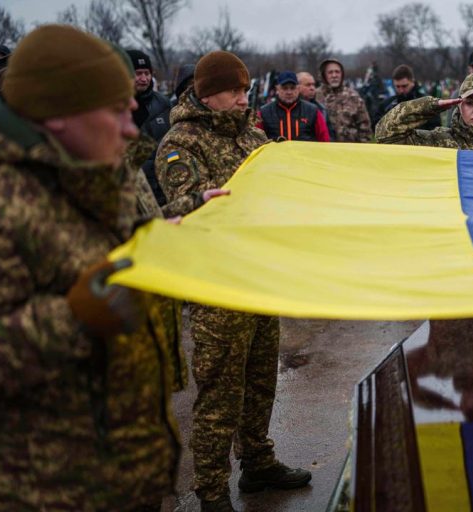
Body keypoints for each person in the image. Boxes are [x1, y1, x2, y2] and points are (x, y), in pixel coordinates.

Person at [0, 24, 185, 510]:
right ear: (57, 115)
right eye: (116, 113)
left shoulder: (74, 167)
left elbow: (84, 250)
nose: (131, 129)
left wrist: (159, 234)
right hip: (53, 490)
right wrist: (76, 318)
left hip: (115, 474)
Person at [155, 50, 311, 512]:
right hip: (218, 286)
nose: (244, 99)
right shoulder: (182, 143)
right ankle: (211, 491)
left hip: (257, 276)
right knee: (220, 393)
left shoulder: (252, 137)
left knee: (261, 381)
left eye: (245, 90)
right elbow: (181, 208)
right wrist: (205, 202)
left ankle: (258, 463)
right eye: (233, 91)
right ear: (207, 94)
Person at [376, 71, 473, 153]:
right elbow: (385, 134)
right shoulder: (438, 142)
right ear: (459, 105)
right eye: (469, 103)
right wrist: (431, 106)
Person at [125, 49, 173, 205]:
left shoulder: (164, 104)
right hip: (132, 189)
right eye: (138, 73)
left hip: (162, 185)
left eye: (147, 73)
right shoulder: (116, 107)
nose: (144, 78)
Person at [257, 71, 330, 142]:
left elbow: (324, 140)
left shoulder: (313, 111)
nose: (289, 92)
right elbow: (256, 141)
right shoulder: (264, 113)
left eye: (292, 88)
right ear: (277, 89)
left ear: (298, 89)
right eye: (285, 88)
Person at [315, 58, 371, 142]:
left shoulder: (353, 96)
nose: (334, 75)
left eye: (337, 72)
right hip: (322, 147)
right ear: (324, 75)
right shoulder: (316, 96)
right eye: (330, 72)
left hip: (350, 147)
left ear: (342, 74)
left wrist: (363, 146)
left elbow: (364, 125)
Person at [372, 64, 439, 131]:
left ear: (412, 82)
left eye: (404, 86)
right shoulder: (387, 105)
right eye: (398, 86)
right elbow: (375, 126)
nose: (401, 90)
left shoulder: (427, 103)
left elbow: (435, 129)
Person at [297, 71, 335, 140]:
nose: (312, 88)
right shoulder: (291, 108)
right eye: (308, 85)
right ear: (297, 87)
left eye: (313, 85)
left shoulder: (322, 110)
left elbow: (329, 136)